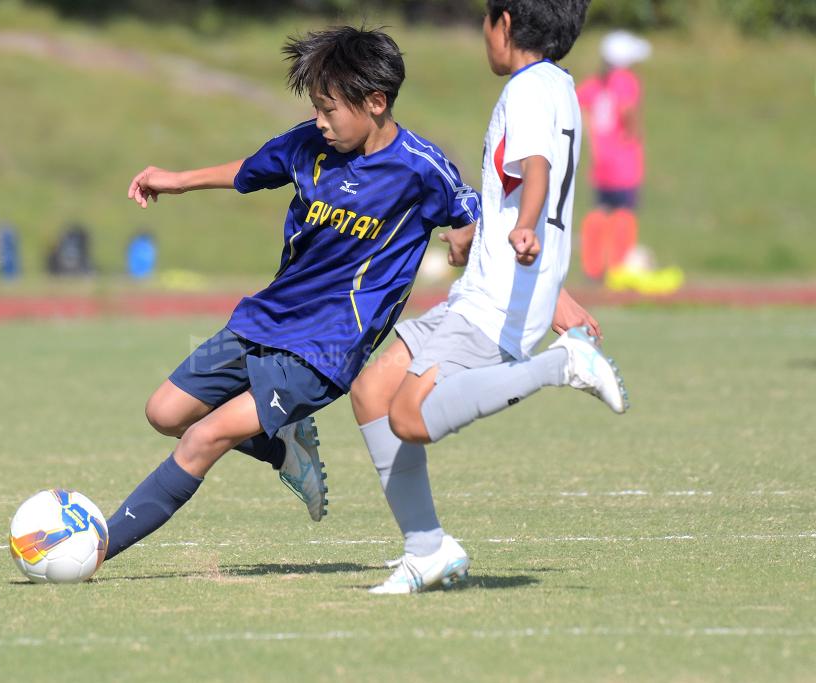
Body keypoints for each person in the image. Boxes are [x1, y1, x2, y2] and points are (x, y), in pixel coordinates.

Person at [103, 26, 483, 561]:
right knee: (165, 413)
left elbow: (477, 211)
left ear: (376, 102)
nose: (321, 121)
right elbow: (250, 170)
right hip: (267, 317)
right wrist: (179, 179)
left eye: (330, 109)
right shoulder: (309, 144)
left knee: (204, 437)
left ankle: (94, 548)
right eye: (317, 109)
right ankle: (282, 441)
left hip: (327, 347)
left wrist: (467, 231)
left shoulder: (420, 169)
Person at [350, 0, 629, 595]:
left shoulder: (528, 88)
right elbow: (524, 183)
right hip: (491, 284)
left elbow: (536, 173)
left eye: (485, 21)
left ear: (505, 23)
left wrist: (523, 227)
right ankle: (426, 550)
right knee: (373, 392)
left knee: (409, 415)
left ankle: (564, 365)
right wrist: (483, 234)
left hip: (498, 299)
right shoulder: (557, 86)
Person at [576, 30, 651, 282]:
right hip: (623, 158)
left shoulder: (597, 82)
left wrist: (592, 138)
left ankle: (593, 267)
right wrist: (634, 132)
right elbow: (627, 107)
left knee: (601, 209)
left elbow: (580, 103)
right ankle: (619, 267)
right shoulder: (625, 80)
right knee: (624, 212)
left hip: (602, 159)